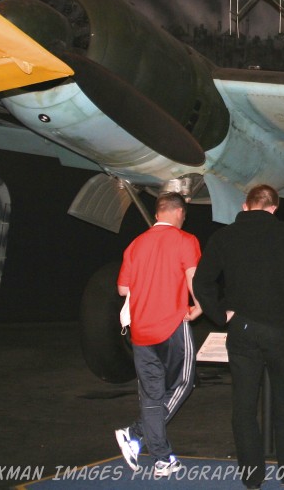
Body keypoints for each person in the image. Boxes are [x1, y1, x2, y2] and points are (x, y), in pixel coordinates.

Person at [192, 184, 284, 488]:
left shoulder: (224, 236)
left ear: (245, 206)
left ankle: (251, 476)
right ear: (274, 208)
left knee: (244, 406)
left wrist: (220, 314)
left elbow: (202, 281)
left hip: (243, 329)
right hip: (282, 330)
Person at [114, 192, 202, 479]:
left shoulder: (136, 244)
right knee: (183, 383)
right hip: (173, 323)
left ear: (156, 214)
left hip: (141, 330)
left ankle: (162, 459)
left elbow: (123, 289)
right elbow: (193, 277)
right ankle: (136, 432)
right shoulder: (186, 240)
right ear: (180, 213)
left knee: (152, 395)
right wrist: (199, 306)